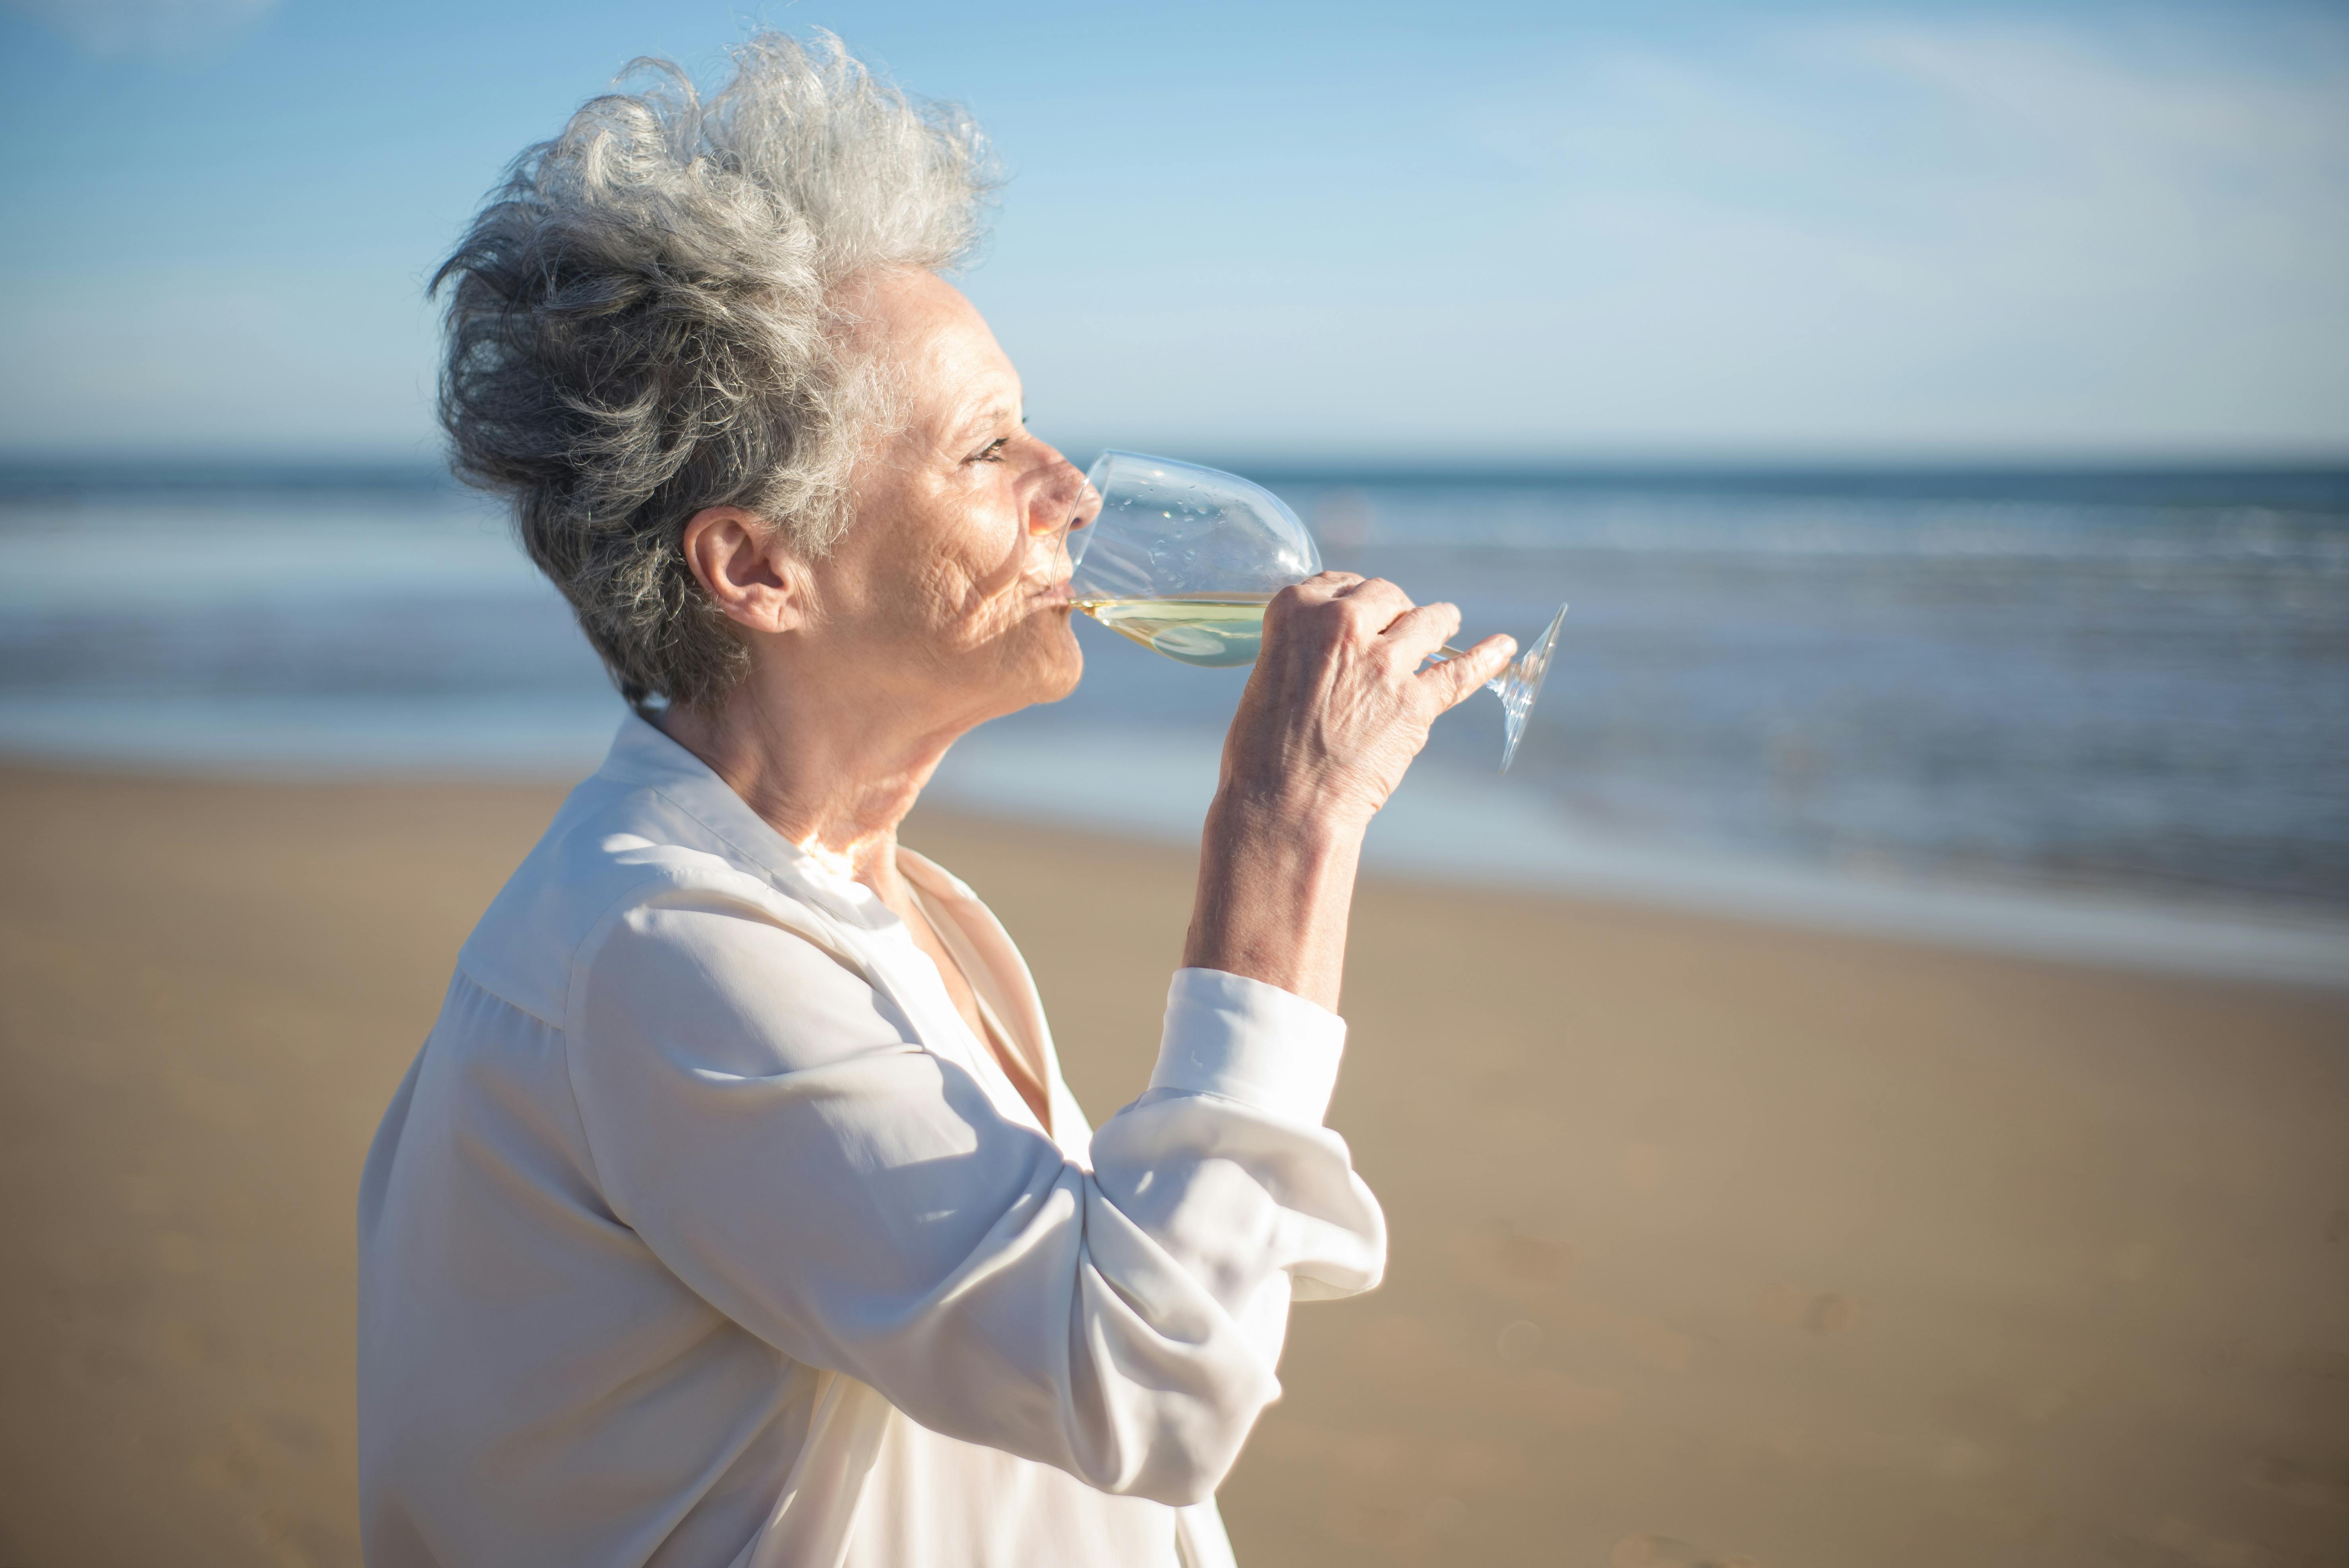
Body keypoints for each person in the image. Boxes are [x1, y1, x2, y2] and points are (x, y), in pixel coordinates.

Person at [356, 32, 1514, 1568]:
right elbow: (1138, 1386)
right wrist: (1286, 825)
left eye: (1033, 423)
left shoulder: (853, 891)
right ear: (758, 568)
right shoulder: (668, 955)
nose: (1074, 490)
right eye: (986, 447)